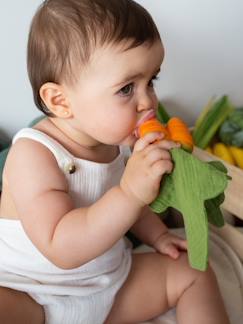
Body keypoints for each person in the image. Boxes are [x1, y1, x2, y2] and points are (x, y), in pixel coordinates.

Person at [0, 0, 230, 323]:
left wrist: (158, 235)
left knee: (194, 272)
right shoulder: (34, 154)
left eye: (151, 81)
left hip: (110, 287)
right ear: (61, 101)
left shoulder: (117, 143)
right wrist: (130, 192)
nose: (148, 101)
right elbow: (61, 247)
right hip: (32, 294)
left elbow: (132, 208)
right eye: (126, 88)